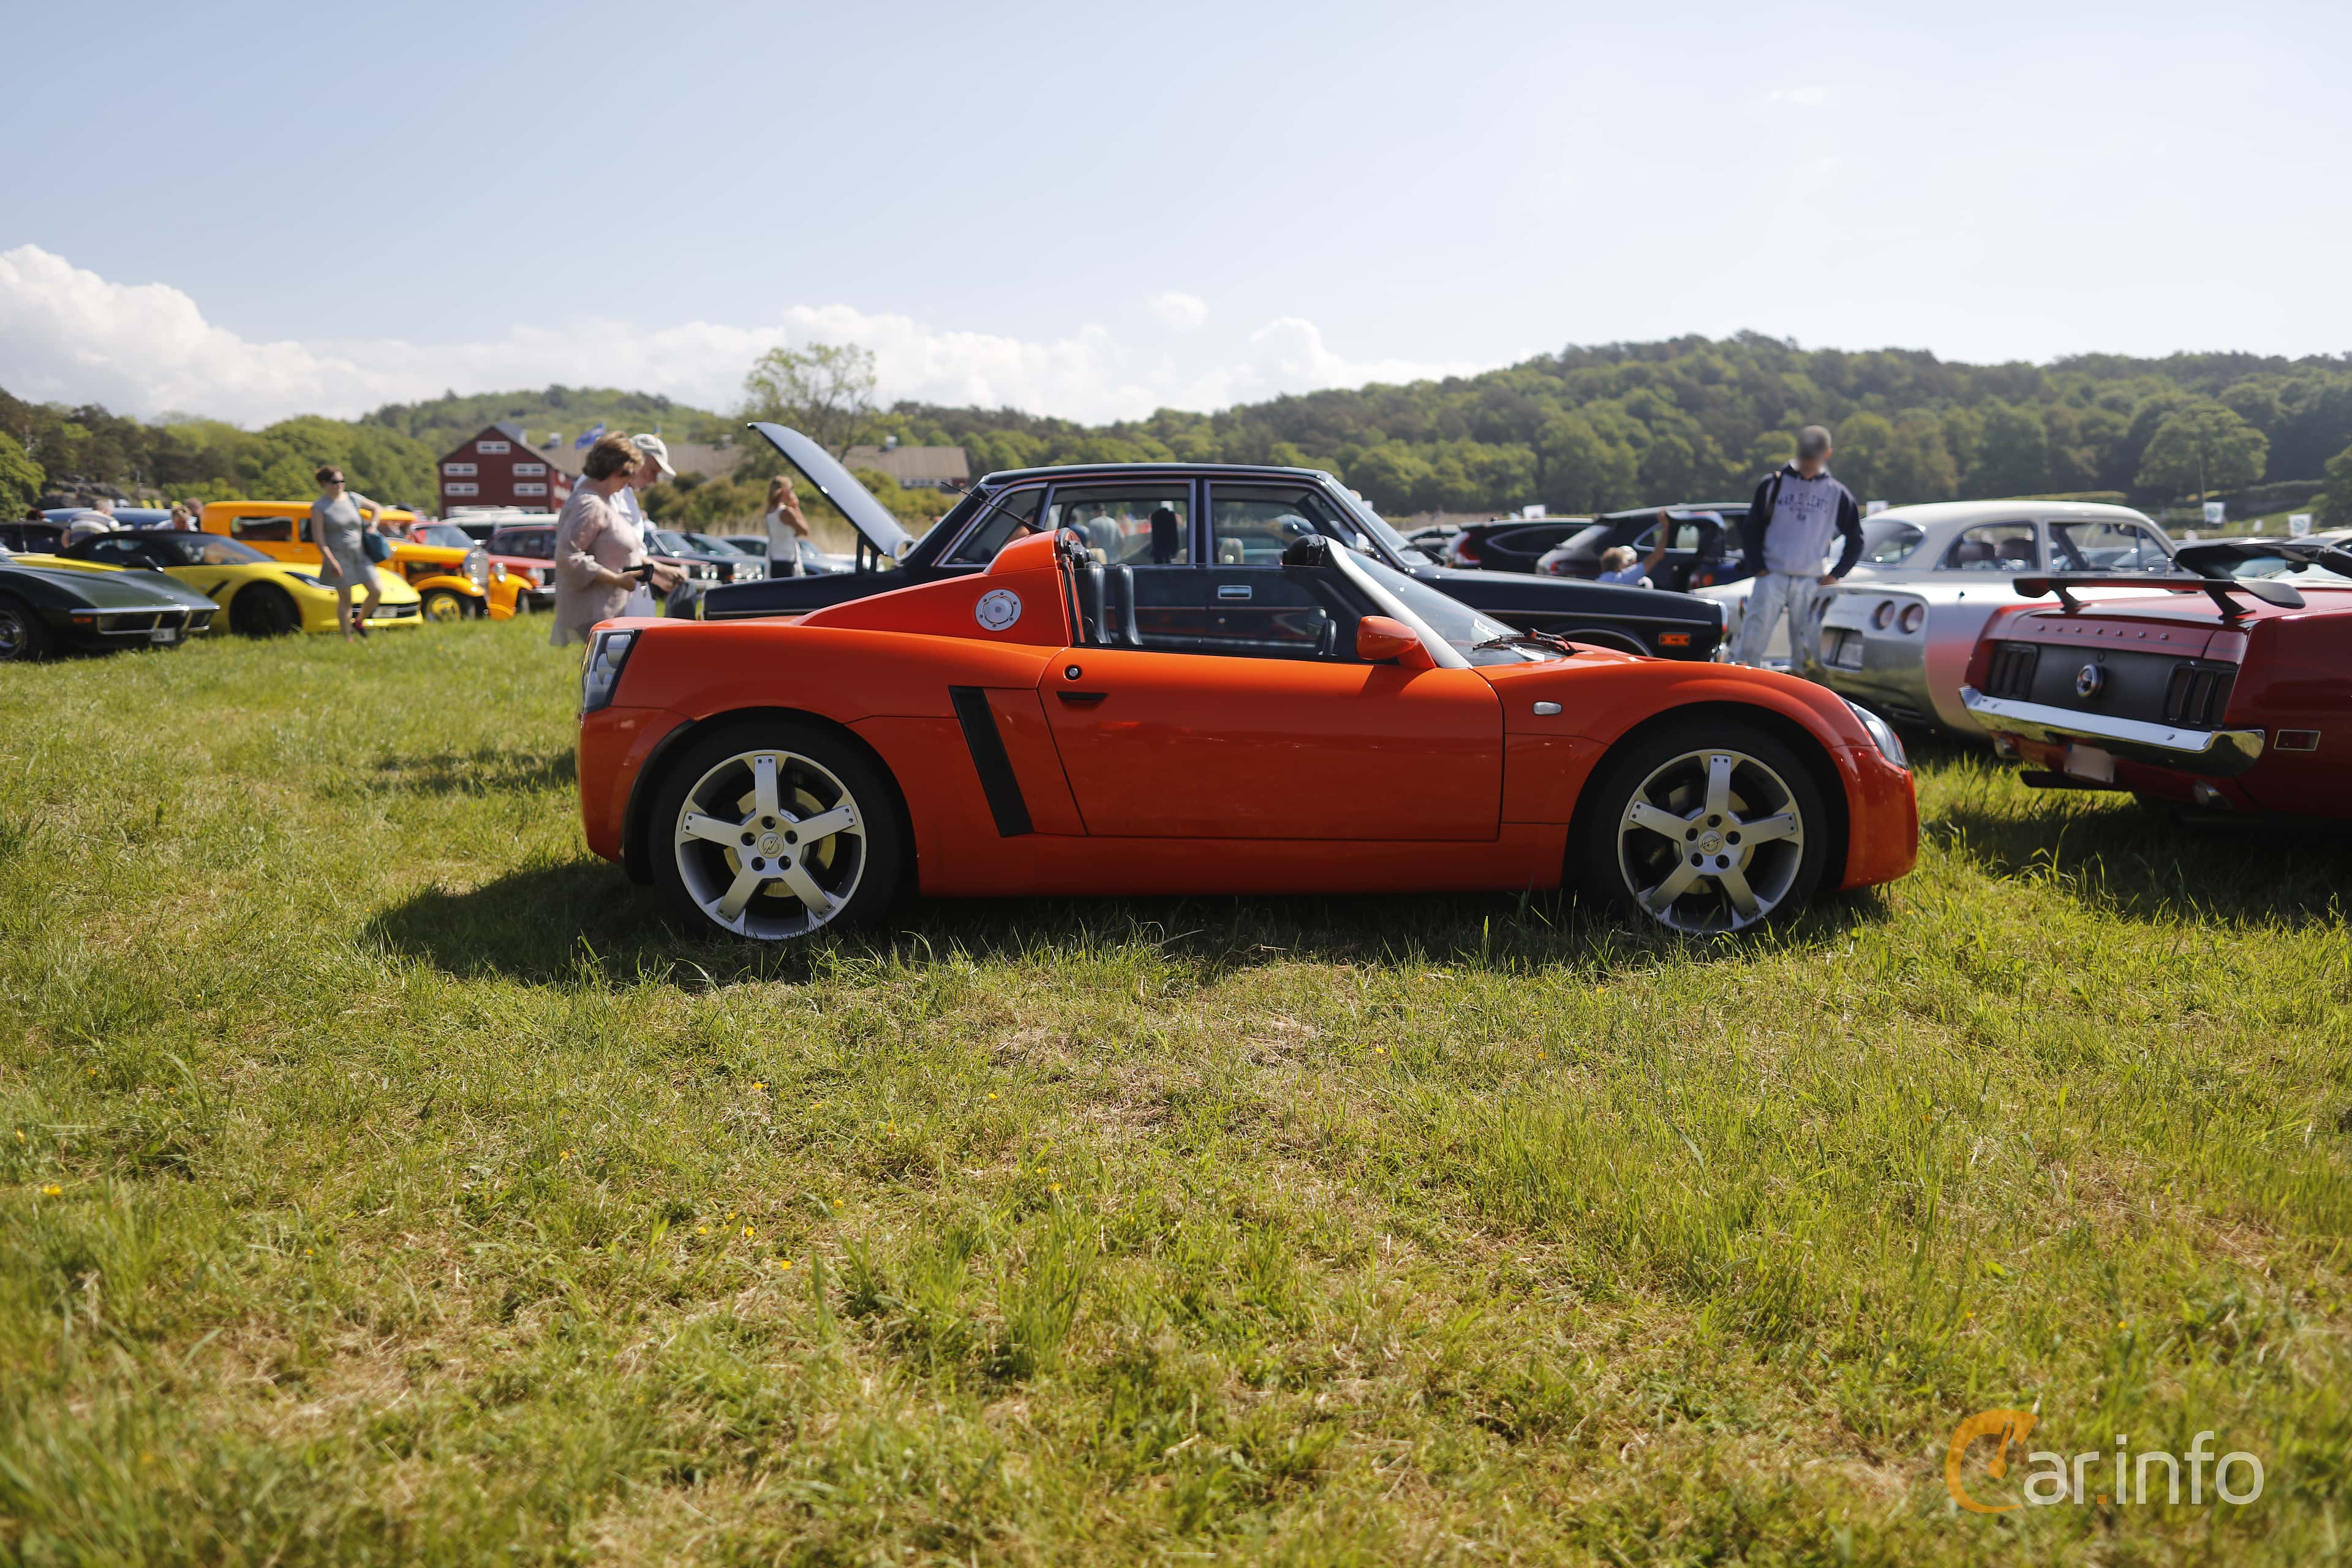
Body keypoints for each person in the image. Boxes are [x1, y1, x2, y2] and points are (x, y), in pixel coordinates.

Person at [1733, 425, 1863, 669]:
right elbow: (1751, 528)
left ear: (1827, 455)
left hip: (1810, 579)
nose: (1807, 463)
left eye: (1813, 458)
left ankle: (1805, 683)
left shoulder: (1836, 493)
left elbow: (1856, 537)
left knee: (1806, 644)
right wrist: (1758, 566)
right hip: (1772, 574)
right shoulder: (1773, 484)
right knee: (1753, 635)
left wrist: (1836, 574)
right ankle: (1745, 676)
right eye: (1804, 457)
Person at [551, 432, 681, 647]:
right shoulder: (590, 504)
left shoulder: (600, 501)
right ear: (616, 471)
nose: (629, 482)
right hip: (597, 615)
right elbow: (568, 557)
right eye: (628, 475)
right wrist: (616, 579)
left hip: (608, 613)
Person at [308, 466, 383, 639]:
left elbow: (377, 508)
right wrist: (331, 561)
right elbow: (319, 539)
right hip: (338, 558)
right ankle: (347, 638)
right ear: (324, 484)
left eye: (342, 481)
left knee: (376, 591)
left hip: (361, 554)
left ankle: (359, 622)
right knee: (346, 600)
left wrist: (373, 525)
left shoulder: (352, 498)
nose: (340, 485)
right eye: (335, 482)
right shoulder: (319, 507)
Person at [1595, 513, 1675, 586]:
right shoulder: (1624, 579)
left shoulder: (1599, 581)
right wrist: (1666, 527)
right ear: (1620, 565)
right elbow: (1657, 556)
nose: (1631, 564)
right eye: (1627, 561)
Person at [764, 475, 810, 576]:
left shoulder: (769, 511)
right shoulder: (785, 512)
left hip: (773, 558)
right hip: (788, 559)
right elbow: (805, 530)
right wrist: (796, 506)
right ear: (786, 491)